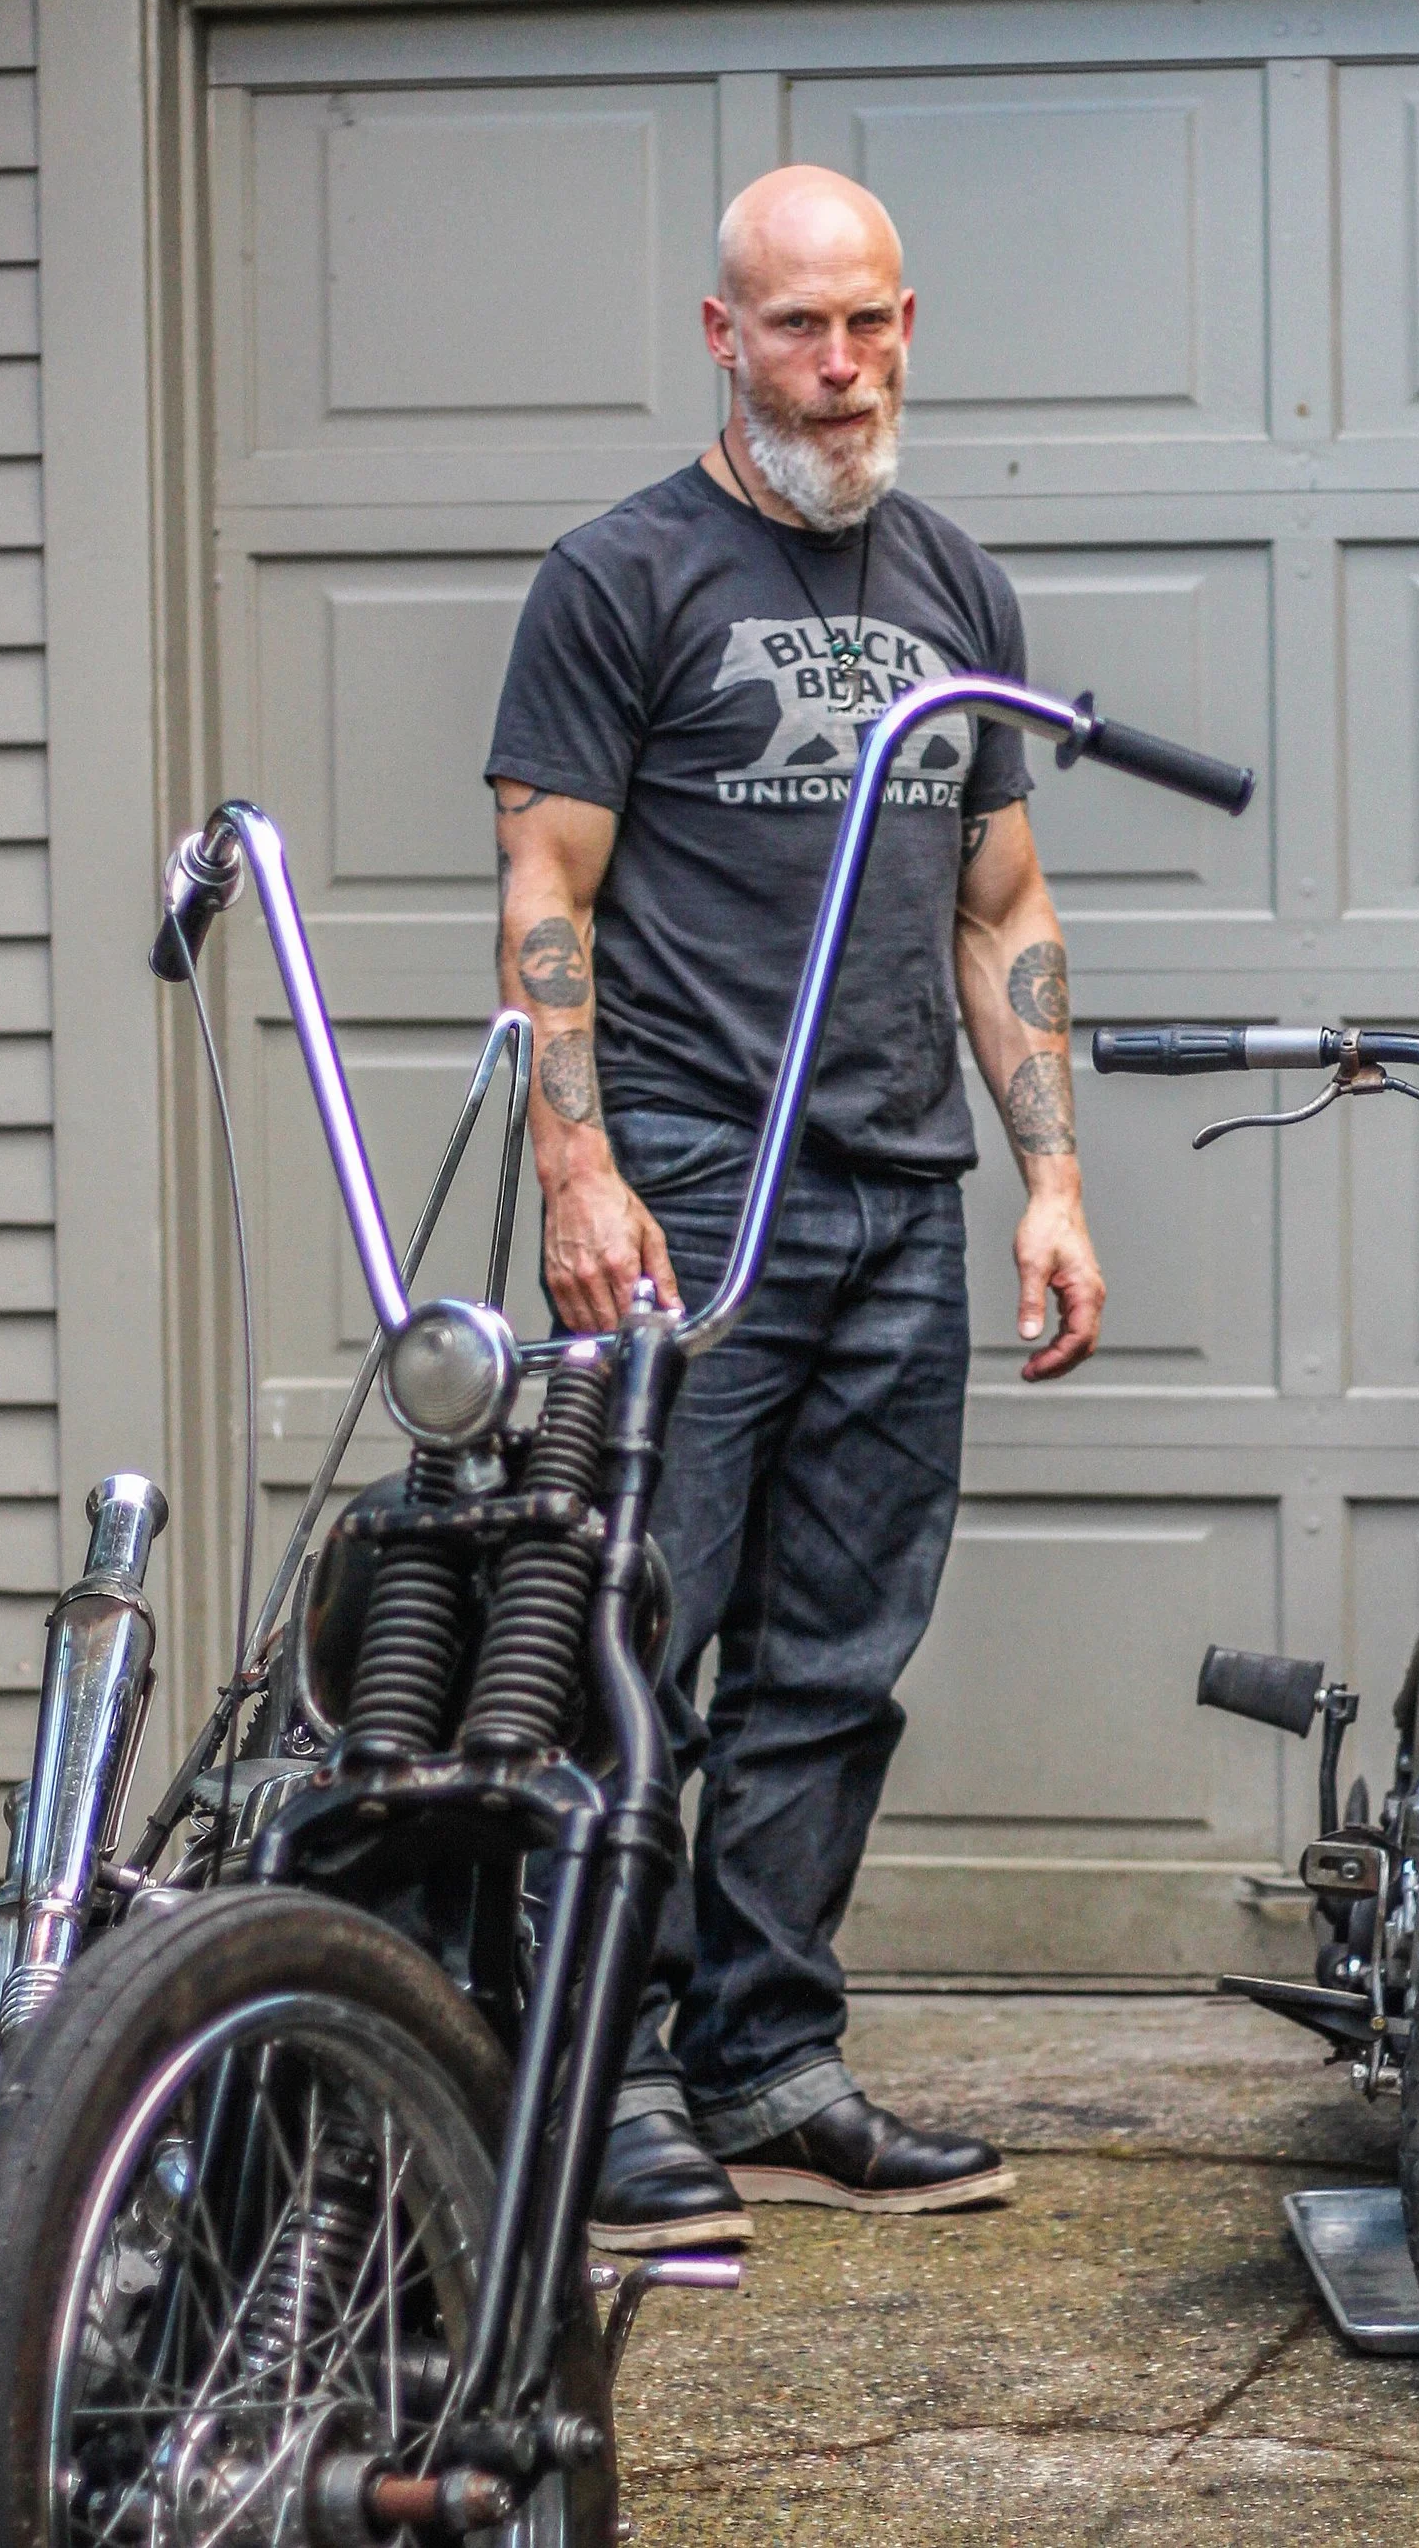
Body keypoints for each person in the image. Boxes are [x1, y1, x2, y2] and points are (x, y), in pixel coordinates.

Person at [486, 166, 1104, 2249]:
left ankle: (766, 2048)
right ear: (719, 335)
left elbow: (998, 904)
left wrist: (1051, 1183)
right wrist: (576, 1168)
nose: (835, 373)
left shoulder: (955, 585)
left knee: (837, 1656)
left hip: (890, 1186)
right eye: (792, 330)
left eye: (865, 327)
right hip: (680, 1185)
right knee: (632, 1637)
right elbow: (544, 892)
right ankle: (608, 2071)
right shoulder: (620, 575)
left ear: (907, 322)